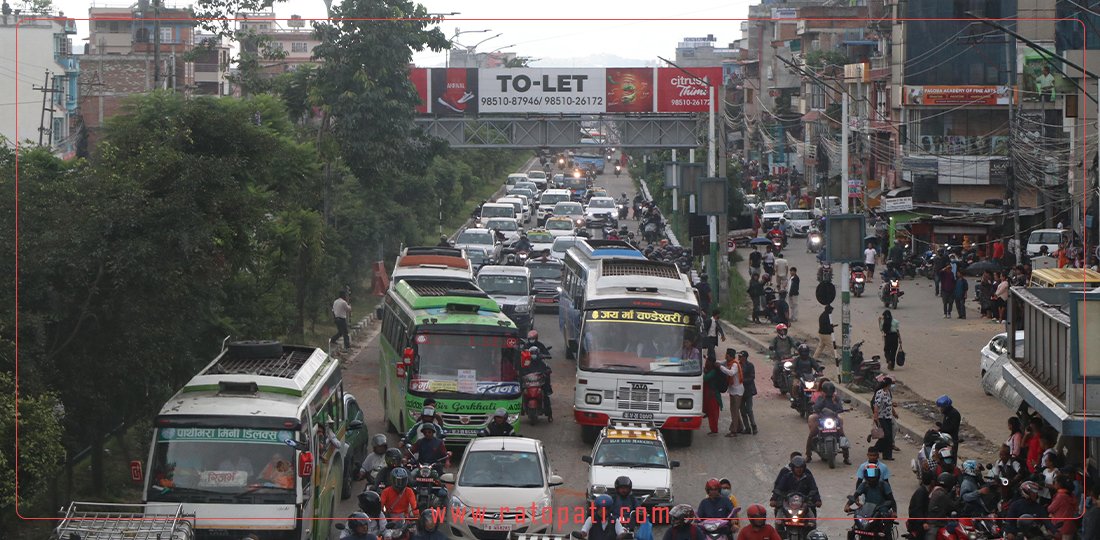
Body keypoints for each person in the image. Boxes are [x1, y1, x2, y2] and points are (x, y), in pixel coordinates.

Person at [805, 381, 850, 465]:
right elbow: (817, 407)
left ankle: (846, 457)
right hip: (822, 419)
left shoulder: (836, 398)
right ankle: (808, 455)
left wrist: (834, 402)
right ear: (823, 391)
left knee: (842, 434)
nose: (829, 393)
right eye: (826, 391)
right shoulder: (820, 398)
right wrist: (822, 400)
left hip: (834, 419)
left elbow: (840, 408)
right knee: (812, 434)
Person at [719, 348, 745, 437]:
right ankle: (740, 427)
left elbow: (731, 373)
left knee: (734, 411)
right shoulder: (729, 362)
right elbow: (721, 362)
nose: (725, 356)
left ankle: (734, 431)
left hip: (737, 391)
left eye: (727, 355)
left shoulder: (734, 365)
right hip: (733, 390)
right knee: (735, 411)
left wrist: (721, 367)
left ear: (730, 356)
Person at [871, 377, 898, 460]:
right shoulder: (880, 393)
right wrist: (876, 418)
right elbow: (876, 405)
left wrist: (894, 413)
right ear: (888, 385)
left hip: (888, 417)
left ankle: (887, 455)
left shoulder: (888, 392)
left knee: (889, 437)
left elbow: (889, 403)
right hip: (881, 417)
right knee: (885, 435)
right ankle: (875, 449)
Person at [926, 473, 958, 539]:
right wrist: (957, 496)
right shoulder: (941, 494)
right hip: (934, 523)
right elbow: (953, 506)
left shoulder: (936, 490)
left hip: (935, 519)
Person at [906, 471, 934, 540]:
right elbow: (918, 509)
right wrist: (923, 522)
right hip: (917, 524)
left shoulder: (925, 491)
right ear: (932, 481)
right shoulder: (921, 492)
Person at [703, 356, 725, 435]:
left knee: (713, 413)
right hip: (709, 395)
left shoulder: (713, 372)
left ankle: (714, 430)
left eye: (708, 361)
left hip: (713, 396)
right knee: (710, 412)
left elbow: (705, 378)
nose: (706, 363)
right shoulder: (710, 370)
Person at [738, 350, 759, 435]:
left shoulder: (750, 365)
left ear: (745, 357)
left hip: (748, 390)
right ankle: (747, 428)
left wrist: (742, 381)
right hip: (740, 391)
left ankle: (753, 426)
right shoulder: (737, 365)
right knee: (742, 410)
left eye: (740, 356)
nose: (739, 358)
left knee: (749, 410)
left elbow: (752, 377)